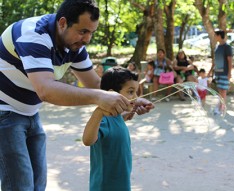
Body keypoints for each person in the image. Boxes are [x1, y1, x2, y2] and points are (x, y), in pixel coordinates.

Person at [0, 1, 153, 190]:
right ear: (62, 23)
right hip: (5, 113)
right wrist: (98, 98)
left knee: (38, 183)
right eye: (83, 31)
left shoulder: (74, 44)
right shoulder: (34, 35)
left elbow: (97, 85)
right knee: (20, 185)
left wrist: (131, 101)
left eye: (91, 33)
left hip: (31, 112)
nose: (87, 39)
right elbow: (46, 90)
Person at [82, 66, 154, 191]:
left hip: (121, 181)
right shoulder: (103, 119)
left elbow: (115, 124)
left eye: (136, 92)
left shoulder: (116, 117)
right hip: (106, 186)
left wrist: (132, 111)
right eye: (131, 92)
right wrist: (98, 112)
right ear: (112, 94)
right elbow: (87, 140)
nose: (135, 97)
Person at [208, 29, 233, 115]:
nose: (214, 37)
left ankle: (219, 108)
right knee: (220, 91)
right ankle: (221, 107)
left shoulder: (227, 47)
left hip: (224, 72)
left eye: (215, 35)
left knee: (223, 91)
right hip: (217, 73)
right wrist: (210, 72)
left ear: (219, 36)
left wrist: (229, 73)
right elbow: (215, 61)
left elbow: (230, 60)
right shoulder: (217, 47)